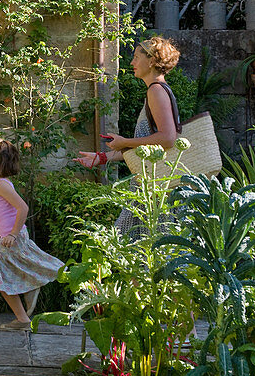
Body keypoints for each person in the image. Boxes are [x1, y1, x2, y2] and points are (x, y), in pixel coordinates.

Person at [75, 35, 182, 233]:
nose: (132, 62)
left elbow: (168, 138)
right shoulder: (156, 90)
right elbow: (146, 147)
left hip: (154, 189)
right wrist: (102, 157)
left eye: (136, 57)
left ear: (151, 61)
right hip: (149, 186)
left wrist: (125, 141)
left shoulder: (156, 91)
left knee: (131, 243)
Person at [0, 138, 64, 331]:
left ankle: (23, 318)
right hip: (12, 237)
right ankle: (27, 302)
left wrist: (13, 234)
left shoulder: (1, 185)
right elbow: (8, 210)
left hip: (12, 239)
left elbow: (22, 208)